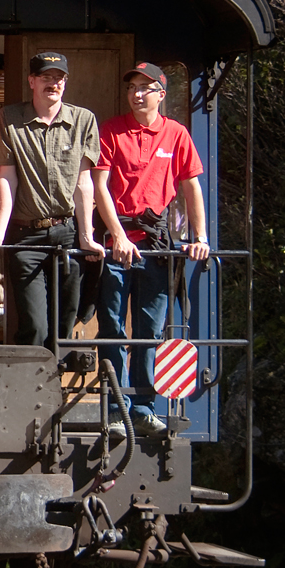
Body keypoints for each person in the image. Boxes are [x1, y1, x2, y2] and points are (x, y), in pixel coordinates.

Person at [94, 62, 210, 439]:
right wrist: (117, 237)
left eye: (145, 88)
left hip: (158, 247)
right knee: (111, 327)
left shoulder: (176, 134)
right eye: (132, 88)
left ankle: (143, 408)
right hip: (117, 244)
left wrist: (200, 238)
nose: (137, 94)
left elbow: (192, 187)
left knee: (150, 329)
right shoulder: (111, 130)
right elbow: (100, 188)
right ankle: (116, 410)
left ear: (162, 94)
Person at [0, 50, 104, 349]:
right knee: (34, 325)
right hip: (26, 236)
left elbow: (84, 182)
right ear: (31, 81)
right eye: (46, 77)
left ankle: (53, 388)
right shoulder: (7, 119)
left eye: (59, 78)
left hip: (68, 233)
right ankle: (28, 391)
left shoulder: (84, 119)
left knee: (64, 325)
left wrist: (86, 236)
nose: (54, 83)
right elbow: (6, 178)